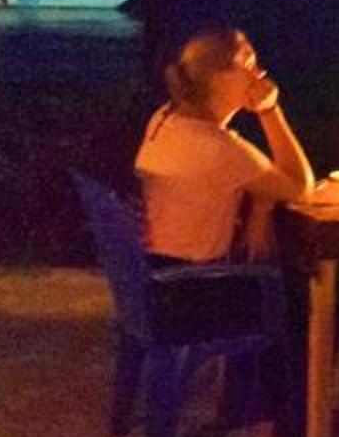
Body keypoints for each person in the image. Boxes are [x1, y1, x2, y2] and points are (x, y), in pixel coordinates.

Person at [132, 27, 316, 266]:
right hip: (196, 278)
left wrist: (263, 203)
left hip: (154, 268)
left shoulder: (164, 118)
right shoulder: (220, 148)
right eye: (249, 65)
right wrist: (269, 110)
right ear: (218, 79)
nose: (260, 74)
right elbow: (301, 189)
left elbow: (248, 176)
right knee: (294, 269)